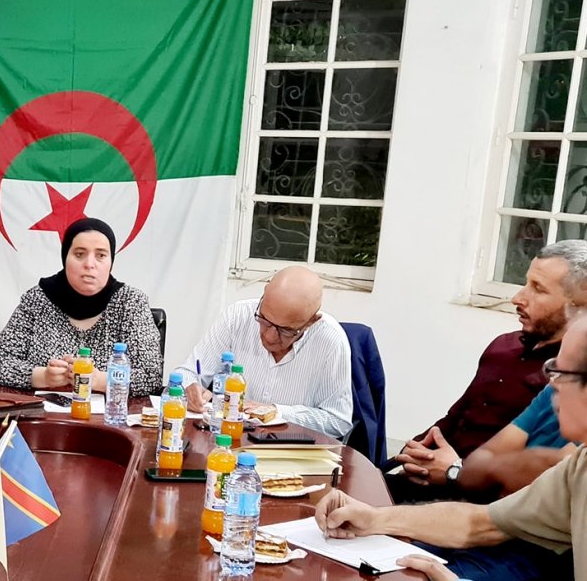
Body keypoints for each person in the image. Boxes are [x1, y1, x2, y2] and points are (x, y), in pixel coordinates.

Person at [315, 310, 587, 581]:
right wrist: (374, 518)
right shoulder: (578, 467)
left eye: (560, 372)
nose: (552, 385)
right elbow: (483, 523)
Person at [390, 240, 586, 502]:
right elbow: (457, 415)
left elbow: (533, 479)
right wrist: (415, 451)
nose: (518, 298)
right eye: (526, 283)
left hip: (481, 502)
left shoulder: (569, 377)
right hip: (429, 478)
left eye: (538, 289)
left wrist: (453, 470)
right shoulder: (504, 345)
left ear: (579, 304)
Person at [0, 217, 163, 396]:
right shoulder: (37, 300)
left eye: (101, 255)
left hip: (111, 419)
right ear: (65, 257)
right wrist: (43, 377)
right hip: (44, 418)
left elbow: (151, 376)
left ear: (111, 262)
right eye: (79, 254)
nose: (89, 264)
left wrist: (100, 380)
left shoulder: (131, 303)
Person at [175, 266, 352, 438]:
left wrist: (277, 412)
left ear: (311, 322)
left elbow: (337, 421)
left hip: (291, 454)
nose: (270, 336)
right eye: (264, 319)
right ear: (264, 293)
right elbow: (186, 374)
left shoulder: (331, 341)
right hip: (231, 442)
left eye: (285, 330)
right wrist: (189, 389)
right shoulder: (238, 316)